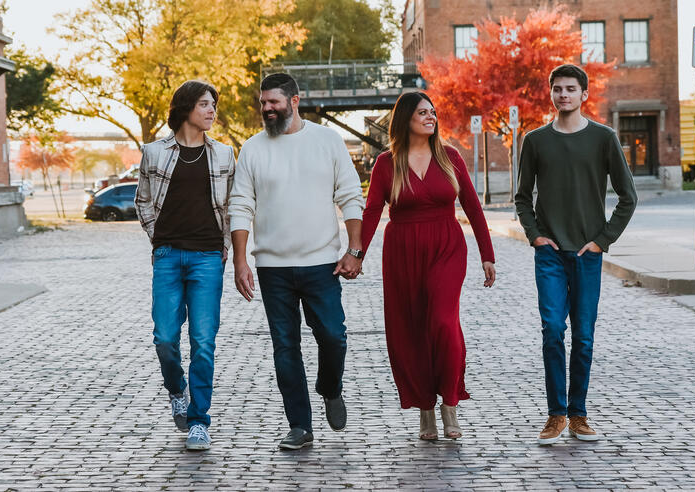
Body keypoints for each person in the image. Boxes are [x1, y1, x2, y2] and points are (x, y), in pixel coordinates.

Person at [229, 73, 365, 450]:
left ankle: (330, 387)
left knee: (334, 337)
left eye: (274, 102)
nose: (267, 109)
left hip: (323, 264)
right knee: (285, 347)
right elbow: (240, 205)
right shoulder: (252, 149)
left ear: (294, 100)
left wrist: (354, 250)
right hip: (272, 268)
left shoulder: (327, 140)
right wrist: (241, 261)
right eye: (263, 103)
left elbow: (351, 196)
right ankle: (300, 426)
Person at [360, 91, 496, 440]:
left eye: (433, 112)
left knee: (442, 322)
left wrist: (487, 254)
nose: (431, 117)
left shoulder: (450, 157)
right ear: (405, 119)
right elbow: (373, 210)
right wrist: (356, 253)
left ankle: (449, 402)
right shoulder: (387, 163)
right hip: (402, 250)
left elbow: (472, 206)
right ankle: (425, 410)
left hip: (446, 246)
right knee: (410, 330)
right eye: (423, 112)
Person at [515, 64, 637, 445]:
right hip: (550, 254)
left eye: (571, 89)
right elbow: (522, 198)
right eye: (557, 89)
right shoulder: (535, 141)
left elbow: (627, 197)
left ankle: (578, 413)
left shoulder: (604, 138)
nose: (563, 95)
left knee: (583, 337)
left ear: (584, 94)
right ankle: (555, 415)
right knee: (553, 331)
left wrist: (603, 240)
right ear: (550, 94)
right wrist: (535, 236)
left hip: (587, 253)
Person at [135, 80, 236, 450]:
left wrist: (224, 247)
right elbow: (142, 201)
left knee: (203, 342)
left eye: (214, 104)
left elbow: (231, 210)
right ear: (186, 108)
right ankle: (177, 389)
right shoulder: (154, 153)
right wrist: (158, 239)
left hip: (207, 258)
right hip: (167, 257)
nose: (212, 111)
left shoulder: (224, 155)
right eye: (205, 104)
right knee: (164, 338)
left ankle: (199, 421)